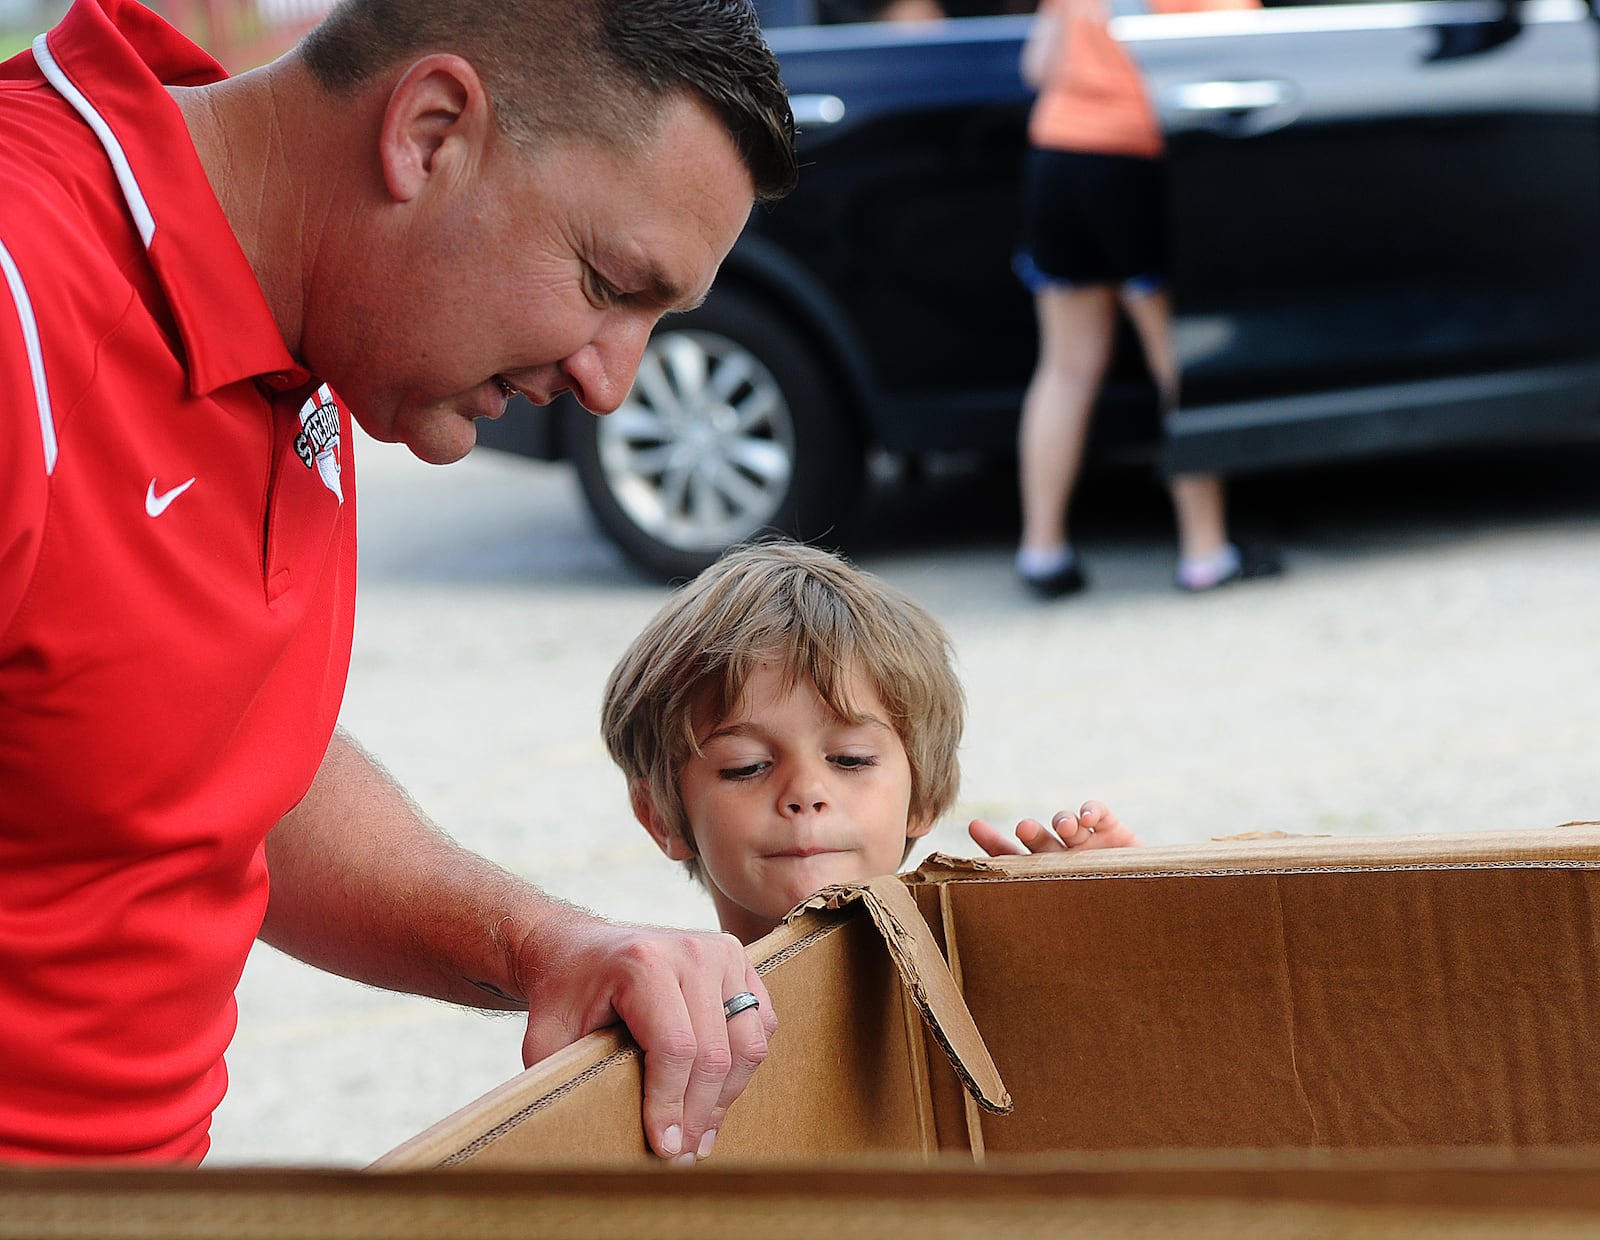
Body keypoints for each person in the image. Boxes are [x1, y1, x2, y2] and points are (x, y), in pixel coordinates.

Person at [0, 0, 797, 1165]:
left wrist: (546, 943)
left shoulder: (314, 300)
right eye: (604, 283)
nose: (611, 383)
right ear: (428, 132)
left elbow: (193, 753)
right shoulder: (26, 298)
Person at [601, 540, 1141, 945]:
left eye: (850, 760)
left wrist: (1121, 920)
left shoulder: (995, 985)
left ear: (924, 794)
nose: (806, 793)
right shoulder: (661, 1043)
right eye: (746, 767)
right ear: (662, 818)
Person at [1011, 0, 1280, 597]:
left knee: (1064, 364)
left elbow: (1038, 66)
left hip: (1057, 155)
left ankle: (1042, 551)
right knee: (1176, 359)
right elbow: (1234, 60)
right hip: (1137, 159)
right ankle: (1206, 551)